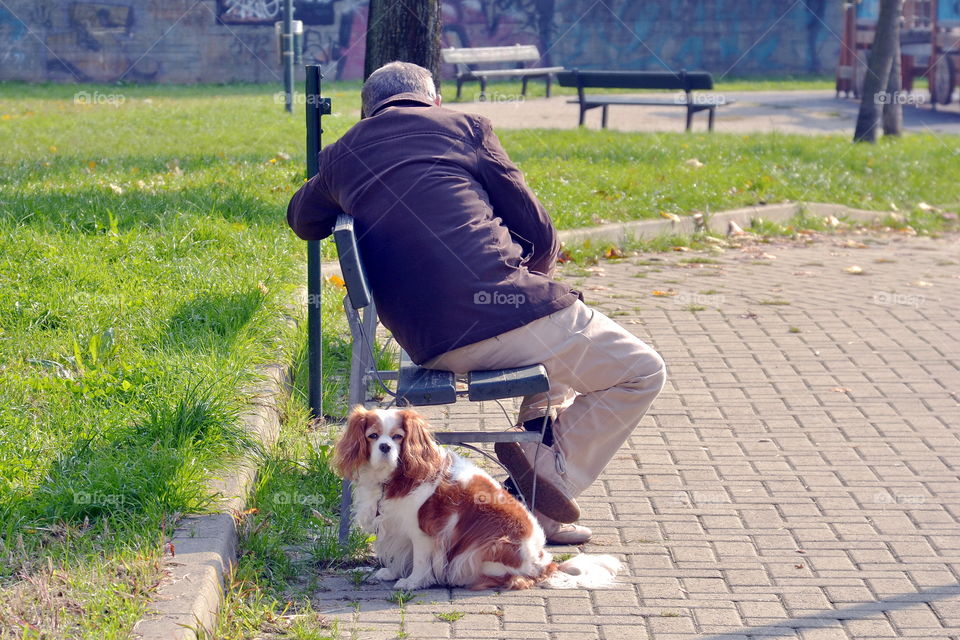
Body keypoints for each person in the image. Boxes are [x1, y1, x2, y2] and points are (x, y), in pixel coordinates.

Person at [287, 61, 666, 544]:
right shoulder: (466, 127)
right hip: (507, 313)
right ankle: (538, 480)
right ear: (434, 100)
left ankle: (537, 507)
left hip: (429, 343)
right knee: (641, 370)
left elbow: (302, 219)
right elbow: (540, 233)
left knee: (558, 362)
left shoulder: (343, 154)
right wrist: (530, 285)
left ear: (367, 112)